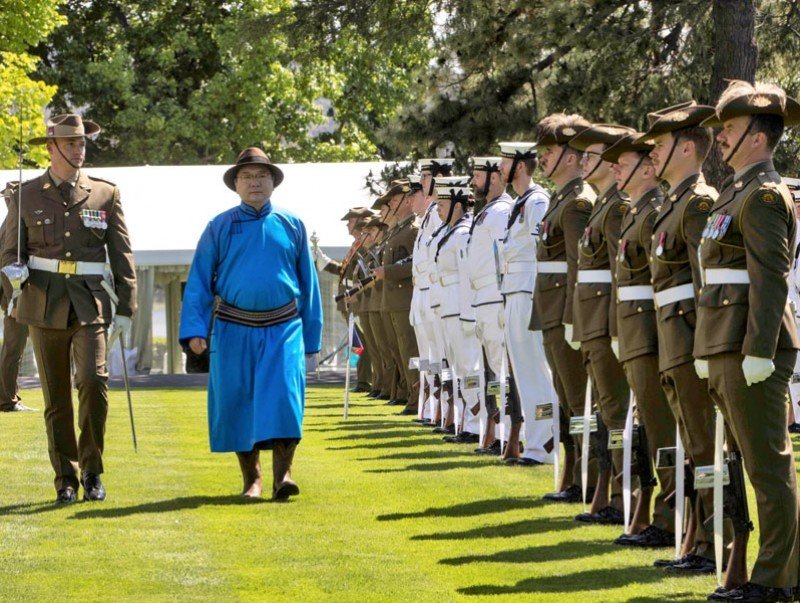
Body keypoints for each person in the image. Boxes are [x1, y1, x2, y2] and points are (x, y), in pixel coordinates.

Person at [695, 81, 800, 602]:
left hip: (750, 346)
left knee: (768, 466)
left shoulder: (761, 195)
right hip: (724, 341)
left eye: (731, 131)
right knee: (746, 463)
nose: (720, 140)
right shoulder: (736, 191)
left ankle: (779, 579)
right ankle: (752, 573)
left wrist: (759, 348)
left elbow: (771, 278)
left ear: (757, 139)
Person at [1, 114, 137, 504]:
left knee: (93, 382)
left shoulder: (104, 193)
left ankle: (93, 472)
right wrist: (11, 275)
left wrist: (127, 307)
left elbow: (122, 254)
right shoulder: (25, 194)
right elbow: (10, 250)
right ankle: (65, 477)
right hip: (42, 302)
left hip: (90, 300)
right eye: (72, 144)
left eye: (82, 144)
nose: (79, 150)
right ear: (52, 147)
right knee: (56, 396)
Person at [179, 147, 322, 501]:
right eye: (247, 177)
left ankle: (284, 475)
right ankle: (252, 481)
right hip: (233, 328)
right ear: (236, 185)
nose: (255, 182)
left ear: (273, 182)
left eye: (262, 176)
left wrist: (312, 335)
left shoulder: (292, 224)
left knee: (286, 400)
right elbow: (199, 280)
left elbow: (310, 283)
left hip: (284, 327)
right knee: (238, 401)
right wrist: (195, 329)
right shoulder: (219, 226)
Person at [634, 101, 722, 573]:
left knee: (705, 443)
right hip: (672, 336)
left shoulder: (699, 202)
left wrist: (704, 344)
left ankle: (713, 542)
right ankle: (696, 535)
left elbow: (705, 282)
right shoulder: (673, 202)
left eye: (662, 145)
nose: (654, 154)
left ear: (687, 148)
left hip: (690, 336)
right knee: (689, 441)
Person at [603, 131, 677, 547]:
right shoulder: (636, 212)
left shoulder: (652, 213)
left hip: (649, 332)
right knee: (650, 426)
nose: (615, 168)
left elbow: (658, 280)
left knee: (663, 430)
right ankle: (663, 515)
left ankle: (669, 519)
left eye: (623, 162)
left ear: (648, 168)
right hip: (633, 330)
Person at [566, 124, 634, 524]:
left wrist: (612, 330)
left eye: (592, 156)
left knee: (615, 411)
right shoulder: (603, 205)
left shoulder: (617, 207)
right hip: (592, 321)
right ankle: (607, 493)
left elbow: (616, 275)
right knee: (606, 412)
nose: (585, 163)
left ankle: (621, 498)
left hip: (606, 324)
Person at [530, 113, 597, 503]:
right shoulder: (562, 199)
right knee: (566, 399)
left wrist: (574, 317)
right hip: (551, 311)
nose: (543, 159)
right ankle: (574, 476)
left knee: (577, 401)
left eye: (550, 151)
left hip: (564, 313)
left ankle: (586, 479)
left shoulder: (576, 203)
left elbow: (578, 266)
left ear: (571, 156)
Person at [497, 141, 555, 466]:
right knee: (523, 371)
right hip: (514, 290)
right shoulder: (520, 203)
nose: (500, 169)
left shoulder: (537, 201)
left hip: (528, 290)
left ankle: (546, 442)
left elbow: (540, 248)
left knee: (535, 369)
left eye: (505, 163)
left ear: (519, 166)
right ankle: (536, 442)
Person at [466, 156, 515, 455]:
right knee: (494, 374)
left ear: (494, 178)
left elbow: (503, 258)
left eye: (477, 176)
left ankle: (511, 436)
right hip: (483, 298)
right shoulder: (488, 212)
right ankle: (499, 434)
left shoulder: (500, 212)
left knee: (503, 371)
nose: (473, 181)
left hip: (495, 297)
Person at [374, 180, 421, 416]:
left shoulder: (413, 229)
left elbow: (418, 263)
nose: (391, 204)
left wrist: (389, 272)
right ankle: (408, 395)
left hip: (405, 299)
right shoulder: (398, 230)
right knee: (401, 351)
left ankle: (416, 399)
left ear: (407, 200)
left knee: (411, 350)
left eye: (394, 200)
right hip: (394, 301)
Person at [0, 182, 33, 413]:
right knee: (13, 348)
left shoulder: (10, 221)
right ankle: (7, 400)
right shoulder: (15, 222)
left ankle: (8, 397)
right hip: (15, 296)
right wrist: (15, 300)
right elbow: (8, 264)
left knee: (13, 348)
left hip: (13, 295)